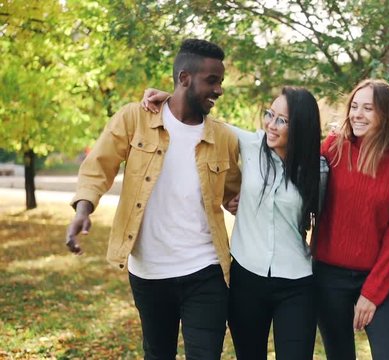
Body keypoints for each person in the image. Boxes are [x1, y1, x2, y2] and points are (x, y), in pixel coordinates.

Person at [65, 39, 241, 359]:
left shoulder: (223, 137)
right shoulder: (135, 119)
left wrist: (238, 201)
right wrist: (83, 208)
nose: (219, 90)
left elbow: (235, 191)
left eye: (221, 81)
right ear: (184, 78)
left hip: (206, 270)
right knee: (158, 353)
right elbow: (97, 167)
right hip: (149, 273)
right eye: (212, 81)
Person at [143, 86, 322, 359]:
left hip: (297, 283)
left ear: (302, 126)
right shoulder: (250, 146)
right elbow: (208, 123)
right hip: (246, 280)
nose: (271, 125)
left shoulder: (318, 170)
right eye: (270, 114)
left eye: (282, 120)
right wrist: (171, 97)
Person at [313, 79, 389, 359]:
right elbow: (298, 181)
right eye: (354, 106)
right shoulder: (334, 146)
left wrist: (372, 293)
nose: (356, 114)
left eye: (367, 108)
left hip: (378, 279)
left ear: (385, 114)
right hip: (328, 277)